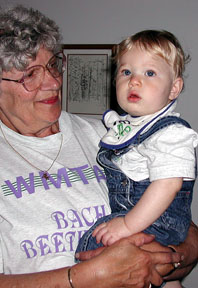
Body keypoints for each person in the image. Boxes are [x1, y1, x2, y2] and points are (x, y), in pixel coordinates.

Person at [0, 4, 196, 287]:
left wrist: (164, 259)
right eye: (29, 74)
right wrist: (89, 276)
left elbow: (185, 228)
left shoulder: (113, 135)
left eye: (53, 64)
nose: (53, 82)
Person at [76, 30, 198, 287]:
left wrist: (127, 225)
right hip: (143, 219)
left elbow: (168, 184)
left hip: (156, 219)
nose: (134, 81)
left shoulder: (171, 133)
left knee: (94, 246)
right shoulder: (128, 125)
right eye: (126, 72)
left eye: (149, 73)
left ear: (174, 88)